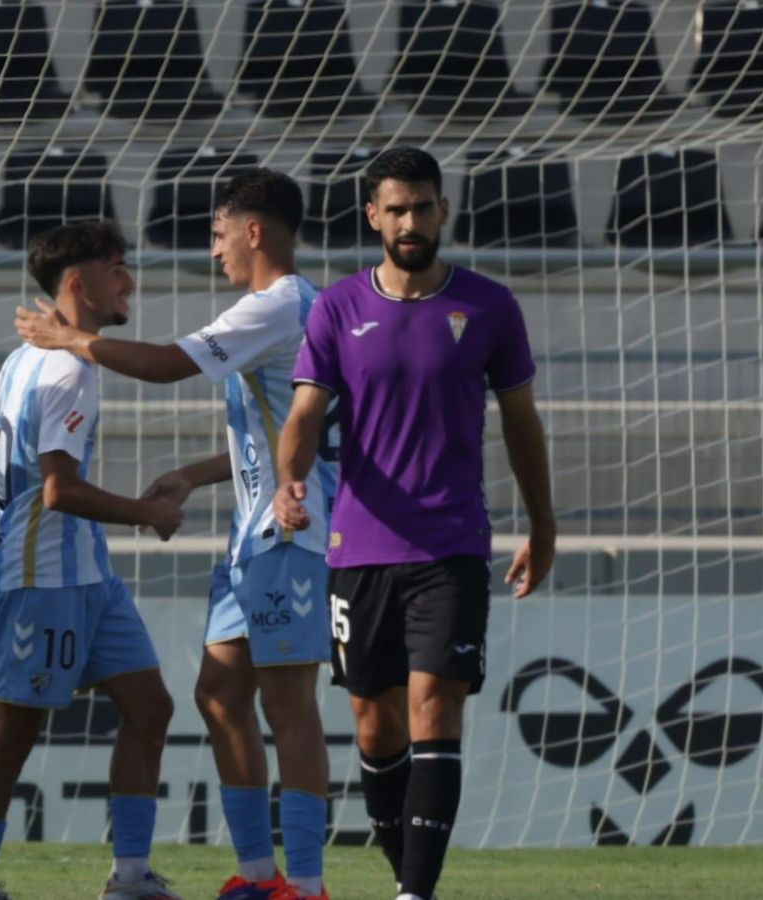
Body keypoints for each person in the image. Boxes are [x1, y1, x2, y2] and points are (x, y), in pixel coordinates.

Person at [14, 168, 336, 899]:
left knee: (289, 706)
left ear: (253, 231)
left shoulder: (279, 305)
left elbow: (165, 366)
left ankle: (307, 885)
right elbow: (277, 433)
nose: (215, 250)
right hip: (253, 536)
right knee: (218, 695)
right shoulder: (292, 308)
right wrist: (194, 474)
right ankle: (259, 877)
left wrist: (70, 338)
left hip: (293, 531)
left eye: (219, 235)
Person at [274, 146, 556, 900]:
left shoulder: (489, 306)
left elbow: (522, 423)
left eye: (422, 207)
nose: (410, 222)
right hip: (359, 548)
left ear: (443, 211)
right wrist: (290, 478)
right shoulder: (338, 308)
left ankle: (414, 895)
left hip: (451, 545)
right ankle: (411, 880)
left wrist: (544, 524)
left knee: (435, 706)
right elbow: (304, 414)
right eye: (395, 209)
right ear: (373, 216)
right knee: (374, 725)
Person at [0, 221, 182, 900]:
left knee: (150, 708)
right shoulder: (66, 369)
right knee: (15, 731)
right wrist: (147, 513)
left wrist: (4, 526)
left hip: (89, 577)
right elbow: (60, 490)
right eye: (116, 268)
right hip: (45, 581)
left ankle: (130, 879)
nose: (129, 280)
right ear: (78, 283)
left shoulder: (24, 358)